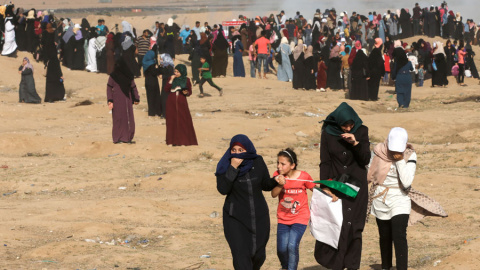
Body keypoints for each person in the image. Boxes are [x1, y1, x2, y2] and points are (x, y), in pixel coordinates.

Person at [315, 102, 371, 270]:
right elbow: (325, 161)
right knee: (337, 226)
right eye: (344, 125)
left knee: (355, 228)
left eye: (350, 124)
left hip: (357, 188)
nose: (347, 128)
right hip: (337, 185)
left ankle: (352, 266)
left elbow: (365, 159)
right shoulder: (328, 133)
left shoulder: (361, 131)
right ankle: (337, 265)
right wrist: (325, 186)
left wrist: (355, 143)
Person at [216, 134, 280, 270]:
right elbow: (222, 189)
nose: (237, 154)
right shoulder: (225, 165)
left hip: (259, 216)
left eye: (241, 150)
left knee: (259, 254)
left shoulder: (257, 161)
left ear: (248, 149)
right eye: (234, 150)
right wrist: (232, 168)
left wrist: (275, 180)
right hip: (235, 218)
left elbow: (265, 185)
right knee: (241, 255)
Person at [367, 127, 416, 270]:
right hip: (380, 197)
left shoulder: (410, 155)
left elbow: (407, 182)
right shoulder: (377, 152)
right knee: (385, 236)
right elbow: (369, 173)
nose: (395, 151)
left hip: (400, 197)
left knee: (399, 235)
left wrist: (400, 161)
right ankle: (385, 267)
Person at [271, 148, 315, 270]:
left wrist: (330, 193)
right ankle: (285, 267)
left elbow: (315, 189)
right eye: (278, 163)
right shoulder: (277, 176)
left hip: (300, 217)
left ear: (292, 165)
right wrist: (280, 184)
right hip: (283, 218)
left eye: (283, 164)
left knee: (291, 245)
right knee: (281, 248)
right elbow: (274, 194)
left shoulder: (304, 176)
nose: (279, 166)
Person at [106, 59, 140, 144]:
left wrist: (136, 98)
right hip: (117, 101)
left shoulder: (129, 76)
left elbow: (133, 87)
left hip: (127, 101)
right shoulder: (113, 76)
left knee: (128, 119)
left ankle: (127, 138)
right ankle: (117, 138)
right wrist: (110, 100)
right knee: (118, 119)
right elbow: (109, 87)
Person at [164, 64, 198, 146]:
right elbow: (166, 89)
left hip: (182, 102)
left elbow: (189, 92)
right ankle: (171, 141)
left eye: (178, 72)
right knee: (171, 121)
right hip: (171, 103)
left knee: (183, 120)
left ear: (182, 72)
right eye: (175, 71)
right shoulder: (171, 78)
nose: (176, 73)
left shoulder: (186, 80)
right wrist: (171, 80)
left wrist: (186, 92)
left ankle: (183, 141)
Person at [142, 50, 162, 117]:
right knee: (156, 96)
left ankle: (151, 112)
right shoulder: (152, 64)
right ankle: (157, 111)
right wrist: (159, 68)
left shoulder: (145, 62)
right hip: (153, 81)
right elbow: (154, 72)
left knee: (150, 97)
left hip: (147, 81)